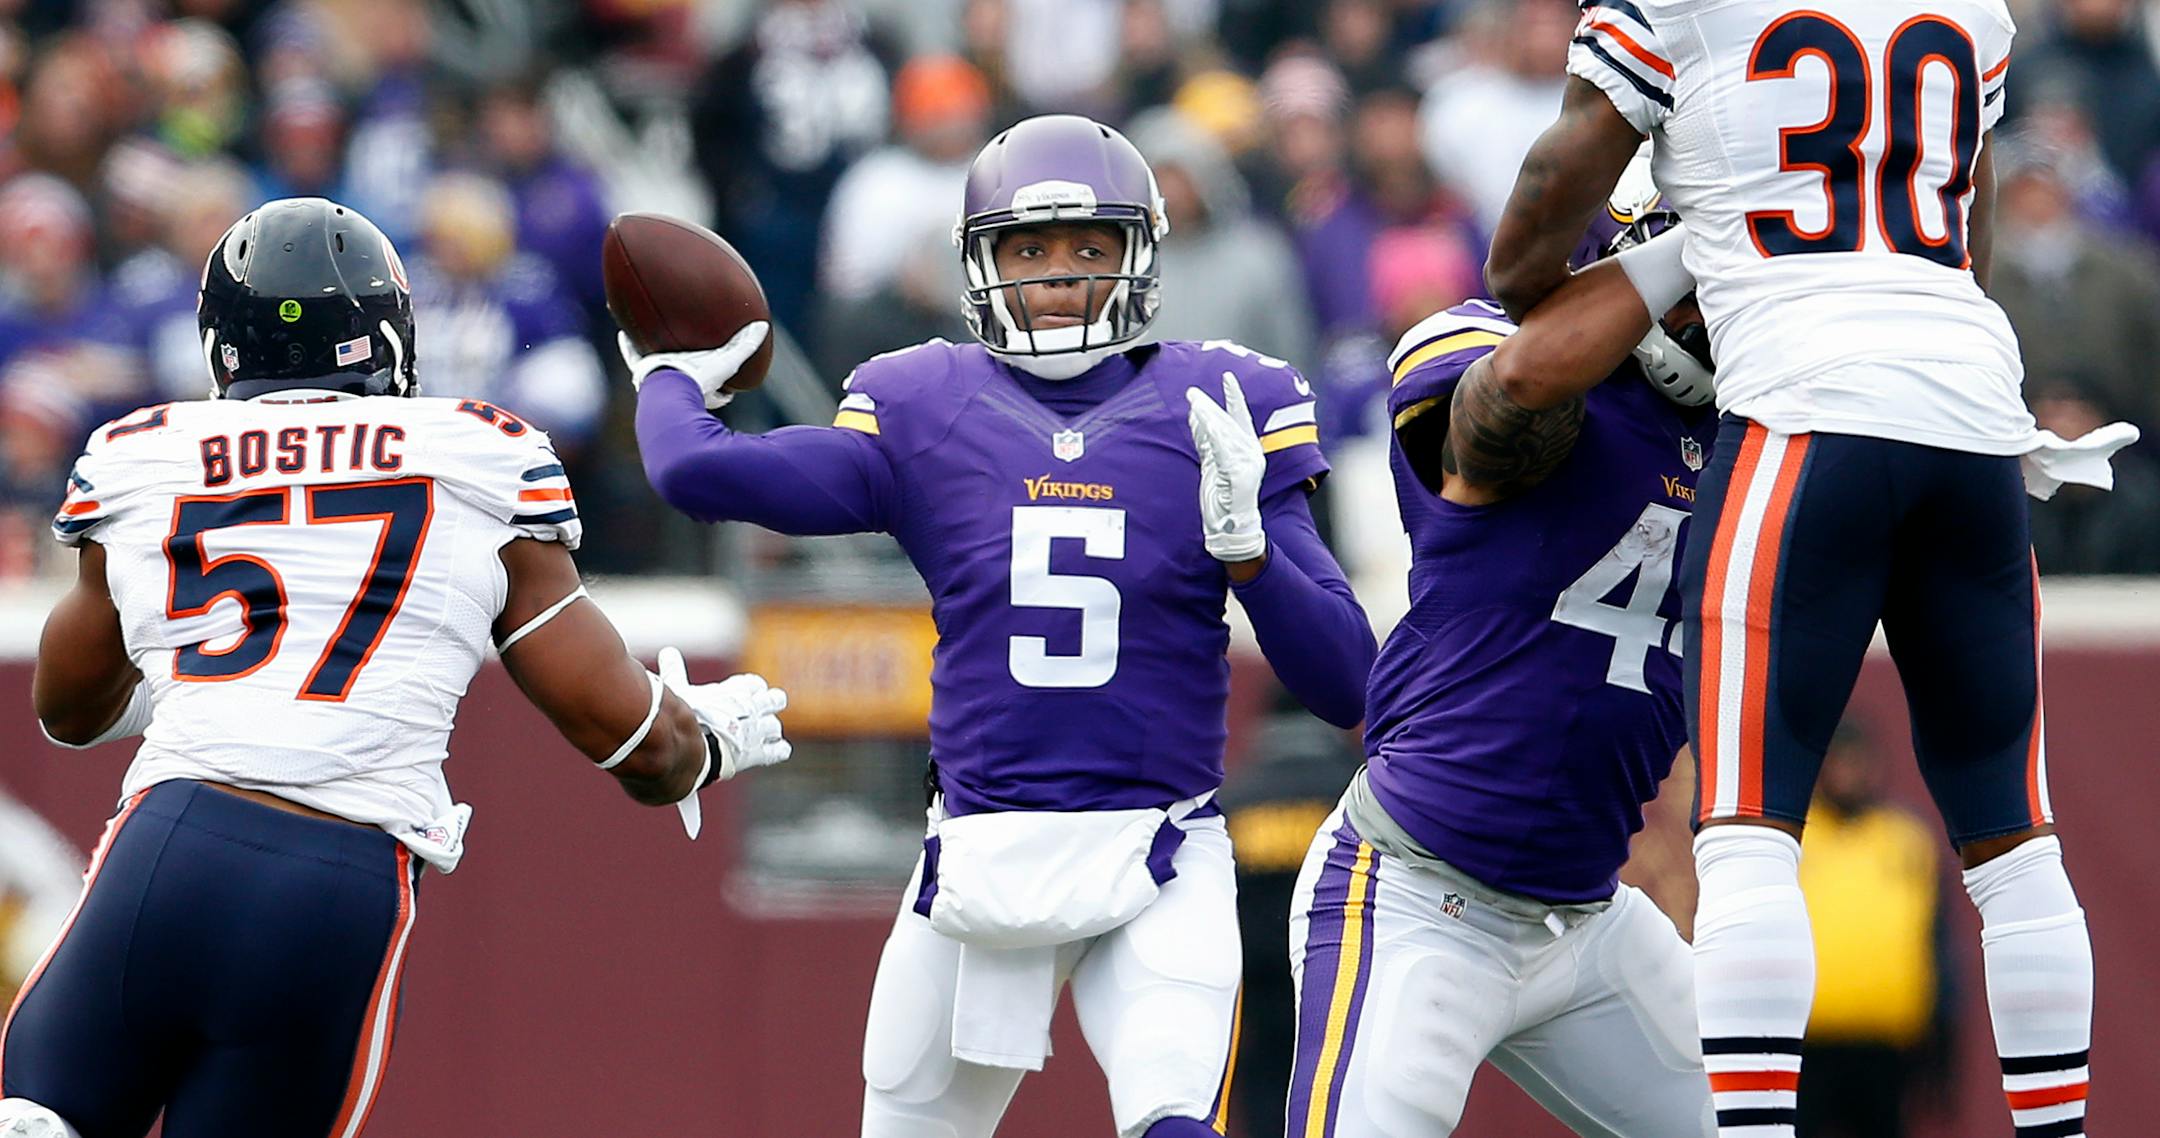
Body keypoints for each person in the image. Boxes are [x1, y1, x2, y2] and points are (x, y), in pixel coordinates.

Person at [625, 114, 1377, 1138]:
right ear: (979, 262)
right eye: (1029, 247)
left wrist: (1252, 550)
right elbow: (696, 473)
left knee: (1175, 1119)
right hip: (978, 851)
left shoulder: (1223, 402)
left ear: (1141, 255)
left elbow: (1349, 684)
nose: (1059, 274)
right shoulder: (923, 403)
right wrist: (674, 369)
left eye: (1088, 247)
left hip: (1159, 847)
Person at [0, 198, 793, 1137]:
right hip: (338, 878)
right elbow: (640, 749)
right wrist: (703, 739)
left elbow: (68, 707)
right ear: (388, 336)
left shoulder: (142, 456)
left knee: (38, 1119)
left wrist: (189, 670)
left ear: (220, 347)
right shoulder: (478, 452)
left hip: (166, 846)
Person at [1482, 0, 2134, 1132]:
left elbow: (1556, 182)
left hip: (1802, 404)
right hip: (1975, 412)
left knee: (1743, 833)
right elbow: (1952, 217)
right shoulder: (1973, 12)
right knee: (2016, 838)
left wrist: (1524, 278)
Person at [1287, 157, 1718, 1137]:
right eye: (1710, 272)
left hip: (1587, 917)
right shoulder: (1494, 353)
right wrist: (1702, 238)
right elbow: (1509, 399)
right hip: (1415, 893)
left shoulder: (1759, 436)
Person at [1796, 722, 1958, 1138]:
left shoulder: (1906, 839)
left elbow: (1937, 945)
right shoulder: (1794, 837)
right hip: (1804, 1045)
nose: (1849, 773)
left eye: (1857, 762)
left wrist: (1944, 1047)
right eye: (1840, 763)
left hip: (1887, 1048)